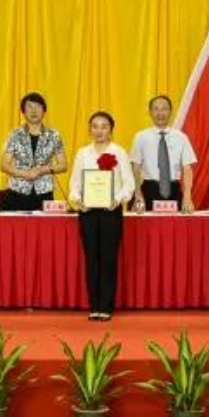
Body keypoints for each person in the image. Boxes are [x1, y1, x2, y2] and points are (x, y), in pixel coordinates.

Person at [68, 111, 136, 322]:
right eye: (95, 126)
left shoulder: (119, 152)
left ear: (111, 129)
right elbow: (74, 184)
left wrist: (118, 199)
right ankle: (94, 306)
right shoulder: (83, 153)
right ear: (90, 130)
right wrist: (77, 200)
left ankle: (106, 306)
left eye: (104, 126)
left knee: (108, 258)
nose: (99, 130)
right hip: (87, 213)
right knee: (91, 259)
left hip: (110, 212)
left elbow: (129, 184)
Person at [0, 92, 67, 211]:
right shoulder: (14, 135)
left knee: (44, 223)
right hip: (18, 191)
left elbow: (63, 165)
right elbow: (4, 165)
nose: (34, 111)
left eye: (38, 106)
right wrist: (24, 174)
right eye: (29, 107)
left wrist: (42, 170)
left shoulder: (54, 135)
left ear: (44, 111)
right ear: (23, 112)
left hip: (44, 191)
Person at [130, 94, 197, 211]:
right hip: (148, 190)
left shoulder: (181, 137)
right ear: (150, 112)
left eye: (164, 109)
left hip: (174, 189)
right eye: (156, 109)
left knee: (175, 223)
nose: (160, 113)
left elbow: (187, 169)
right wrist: (137, 193)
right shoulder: (140, 137)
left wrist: (187, 196)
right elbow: (135, 167)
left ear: (171, 112)